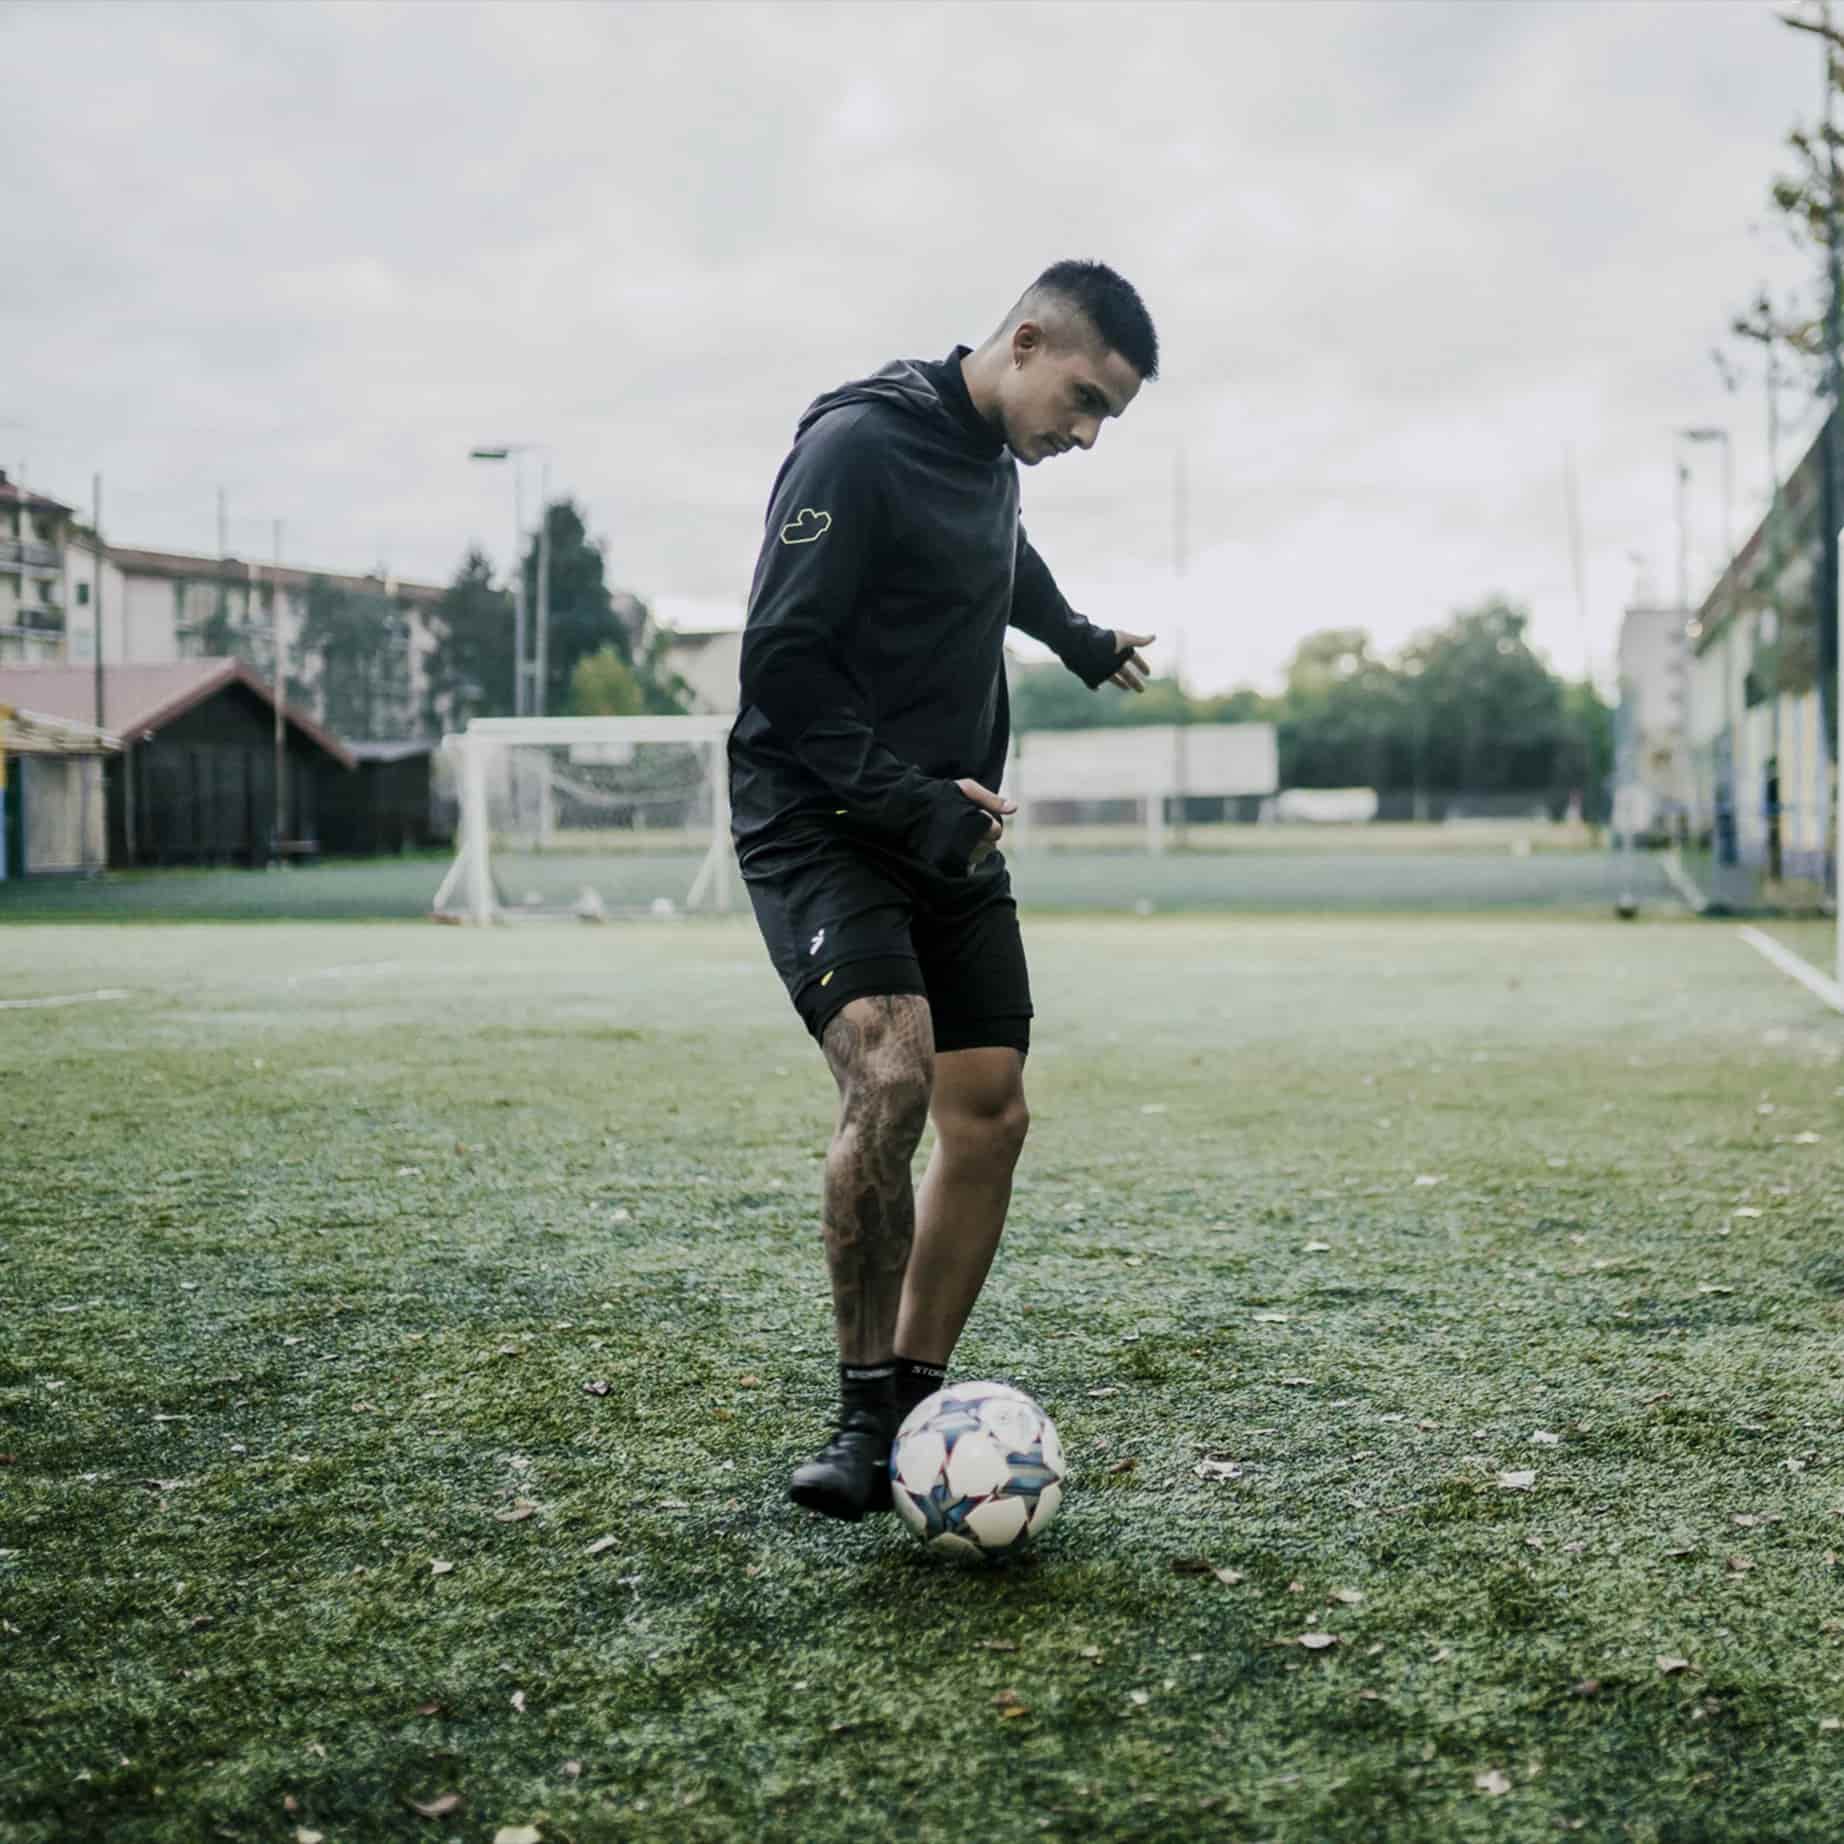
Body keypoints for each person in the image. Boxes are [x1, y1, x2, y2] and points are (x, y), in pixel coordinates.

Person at [730, 259, 1160, 1521]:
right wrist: (909, 794)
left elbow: (999, 557)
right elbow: (783, 666)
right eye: (1078, 399)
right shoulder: (857, 446)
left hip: (944, 824)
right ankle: (863, 1409)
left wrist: (1078, 638)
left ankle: (920, 1393)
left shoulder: (988, 462)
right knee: (893, 1072)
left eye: (1103, 421)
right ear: (1022, 340)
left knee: (990, 1110)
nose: (1080, 435)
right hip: (819, 815)